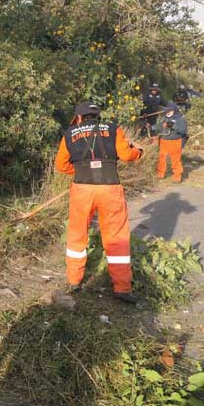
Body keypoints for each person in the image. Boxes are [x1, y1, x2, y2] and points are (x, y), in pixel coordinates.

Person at [54, 102, 144, 303]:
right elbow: (127, 155)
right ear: (97, 116)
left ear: (78, 118)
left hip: (82, 189)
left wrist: (80, 171)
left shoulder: (69, 133)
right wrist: (139, 151)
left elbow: (61, 166)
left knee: (77, 233)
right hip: (110, 187)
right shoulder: (113, 129)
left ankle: (74, 281)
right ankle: (122, 288)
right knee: (117, 236)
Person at [156, 103, 188, 183]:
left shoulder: (181, 119)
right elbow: (159, 127)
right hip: (163, 141)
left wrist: (173, 125)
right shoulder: (164, 118)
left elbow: (183, 131)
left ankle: (177, 177)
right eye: (166, 111)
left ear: (174, 110)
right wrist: (151, 127)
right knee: (161, 158)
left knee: (175, 159)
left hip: (175, 141)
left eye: (169, 111)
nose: (167, 113)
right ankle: (160, 174)